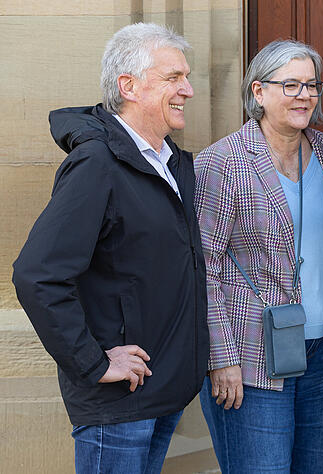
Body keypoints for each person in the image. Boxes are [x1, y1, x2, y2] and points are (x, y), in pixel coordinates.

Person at [12, 23, 206, 473]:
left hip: (161, 390)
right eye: (174, 77)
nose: (189, 90)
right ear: (129, 86)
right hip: (116, 403)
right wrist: (93, 362)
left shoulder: (170, 161)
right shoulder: (96, 163)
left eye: (187, 76)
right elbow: (36, 274)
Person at [194, 39, 323, 474]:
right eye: (291, 85)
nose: (304, 95)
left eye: (312, 85)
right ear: (257, 92)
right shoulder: (223, 163)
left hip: (320, 349)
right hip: (250, 353)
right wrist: (220, 358)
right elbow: (204, 265)